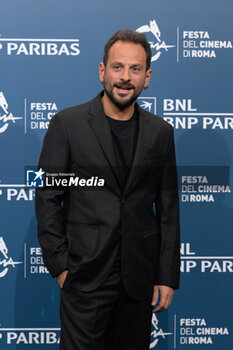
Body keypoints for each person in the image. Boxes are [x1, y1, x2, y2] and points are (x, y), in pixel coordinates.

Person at [35, 29, 180, 350]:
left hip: (138, 280)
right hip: (85, 277)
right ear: (102, 71)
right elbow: (47, 196)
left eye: (135, 69)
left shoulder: (161, 133)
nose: (125, 77)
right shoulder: (68, 124)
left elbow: (168, 209)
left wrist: (167, 275)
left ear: (147, 77)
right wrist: (60, 266)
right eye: (117, 67)